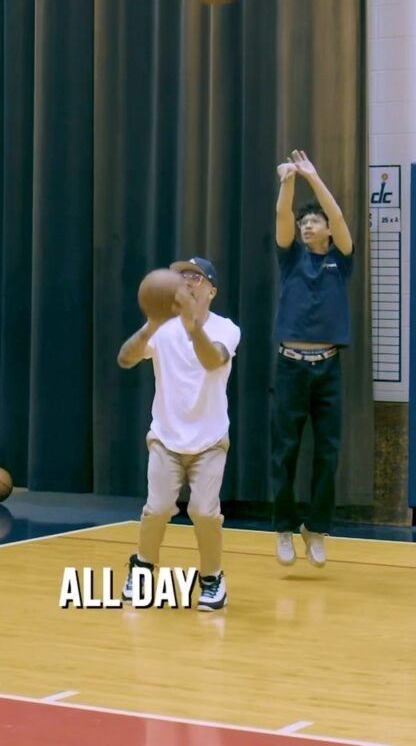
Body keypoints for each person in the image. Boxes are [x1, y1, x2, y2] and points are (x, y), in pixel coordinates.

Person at [117, 257, 241, 611]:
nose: (187, 280)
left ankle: (212, 578)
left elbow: (213, 360)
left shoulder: (225, 328)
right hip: (166, 438)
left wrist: (191, 326)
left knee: (204, 512)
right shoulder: (162, 328)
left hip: (210, 440)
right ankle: (142, 567)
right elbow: (125, 359)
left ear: (211, 290)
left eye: (196, 276)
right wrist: (151, 326)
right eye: (180, 275)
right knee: (156, 509)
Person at [272, 149, 354, 568]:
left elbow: (338, 218)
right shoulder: (291, 259)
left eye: (313, 221)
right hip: (290, 366)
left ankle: (316, 530)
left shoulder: (340, 259)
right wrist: (288, 180)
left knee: (328, 451)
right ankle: (285, 528)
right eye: (304, 223)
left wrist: (313, 177)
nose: (307, 226)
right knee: (284, 450)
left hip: (328, 368)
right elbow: (283, 216)